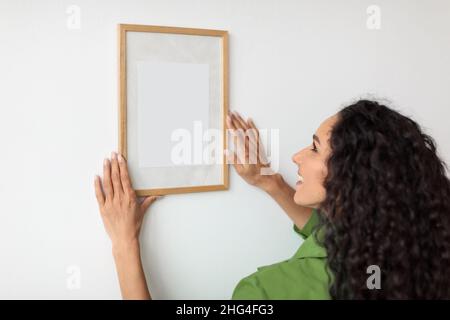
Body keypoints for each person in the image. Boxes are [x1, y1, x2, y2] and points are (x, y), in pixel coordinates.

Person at [94, 99, 450, 299]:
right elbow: (329, 236)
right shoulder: (414, 253)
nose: (296, 156)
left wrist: (124, 244)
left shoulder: (265, 293)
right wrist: (270, 183)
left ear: (350, 178)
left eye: (313, 148)